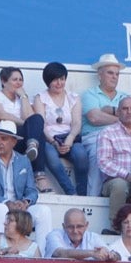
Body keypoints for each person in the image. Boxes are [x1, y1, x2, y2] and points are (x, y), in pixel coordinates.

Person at [0, 119, 52, 252]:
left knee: (44, 211)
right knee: (0, 209)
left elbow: (32, 190)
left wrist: (26, 201)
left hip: (18, 208)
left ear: (14, 142)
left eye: (4, 139)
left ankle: (42, 257)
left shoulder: (24, 161)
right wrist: (6, 202)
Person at [30, 61, 88, 195]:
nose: (59, 83)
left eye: (62, 79)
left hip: (69, 137)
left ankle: (82, 194)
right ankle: (70, 191)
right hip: (49, 138)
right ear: (47, 81)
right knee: (50, 156)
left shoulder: (73, 98)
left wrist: (70, 139)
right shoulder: (41, 98)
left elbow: (77, 122)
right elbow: (41, 124)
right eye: (55, 80)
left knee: (81, 155)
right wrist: (53, 142)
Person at [81, 53, 129, 199]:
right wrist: (122, 117)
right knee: (99, 151)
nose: (114, 77)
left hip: (121, 137)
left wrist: (110, 111)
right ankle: (93, 199)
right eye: (110, 73)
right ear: (99, 74)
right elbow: (94, 118)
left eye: (117, 74)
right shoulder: (90, 94)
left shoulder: (125, 97)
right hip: (96, 136)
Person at [45, 208, 119, 261]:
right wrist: (92, 253)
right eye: (70, 227)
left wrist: (111, 255)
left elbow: (116, 255)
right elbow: (60, 253)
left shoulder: (93, 237)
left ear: (86, 225)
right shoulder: (54, 235)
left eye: (79, 226)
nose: (75, 231)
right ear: (64, 227)